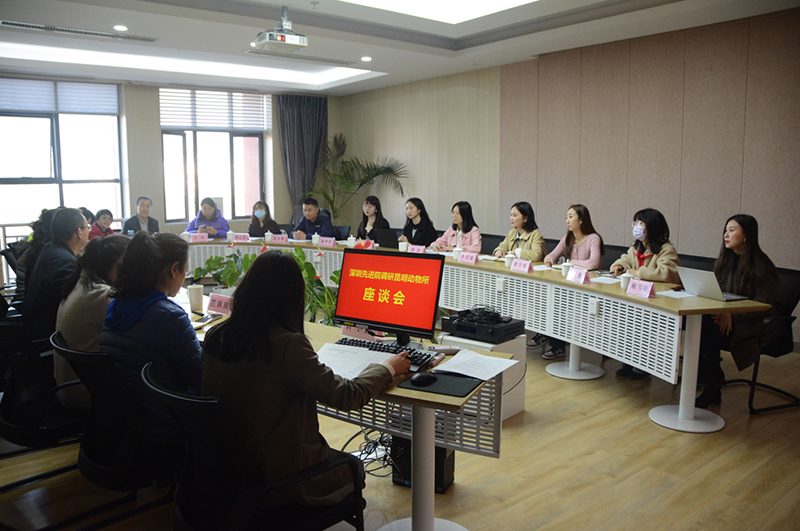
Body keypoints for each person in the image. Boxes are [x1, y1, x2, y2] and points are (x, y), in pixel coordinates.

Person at [202, 251, 410, 507]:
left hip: (228, 471)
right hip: (281, 480)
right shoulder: (286, 345)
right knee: (353, 466)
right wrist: (387, 367)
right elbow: (348, 396)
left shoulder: (217, 335)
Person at [100, 232, 201, 445]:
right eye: (185, 270)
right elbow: (201, 379)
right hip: (167, 423)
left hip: (129, 421)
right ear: (174, 269)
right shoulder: (168, 317)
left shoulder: (117, 305)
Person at [695, 214, 778, 408]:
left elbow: (763, 305)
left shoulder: (762, 266)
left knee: (707, 326)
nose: (726, 235)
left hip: (753, 324)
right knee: (700, 321)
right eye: (725, 230)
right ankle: (710, 381)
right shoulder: (725, 261)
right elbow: (717, 292)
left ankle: (711, 385)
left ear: (747, 235)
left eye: (732, 230)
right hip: (725, 315)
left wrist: (732, 315)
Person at [55, 235, 129, 412]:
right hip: (86, 394)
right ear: (117, 267)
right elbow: (141, 332)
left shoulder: (80, 284)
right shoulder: (102, 296)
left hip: (70, 387)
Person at [610, 207, 681, 379]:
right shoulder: (637, 247)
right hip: (636, 297)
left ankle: (642, 366)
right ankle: (627, 361)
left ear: (652, 226)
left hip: (657, 300)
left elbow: (666, 273)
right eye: (635, 223)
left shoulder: (666, 249)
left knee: (642, 324)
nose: (636, 227)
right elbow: (625, 259)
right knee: (623, 320)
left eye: (640, 223)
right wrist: (618, 265)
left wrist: (637, 272)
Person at [538, 204, 606, 359]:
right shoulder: (568, 238)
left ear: (581, 220)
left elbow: (593, 263)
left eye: (570, 217)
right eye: (566, 217)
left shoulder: (593, 238)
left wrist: (569, 263)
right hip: (570, 287)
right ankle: (557, 345)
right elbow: (551, 255)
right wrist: (549, 260)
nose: (567, 221)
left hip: (589, 288)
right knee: (553, 301)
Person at [22, 208, 90, 342]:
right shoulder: (64, 262)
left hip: (34, 330)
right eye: (87, 227)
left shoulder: (51, 250)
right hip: (47, 338)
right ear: (79, 233)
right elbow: (77, 304)